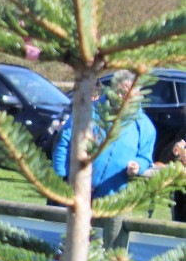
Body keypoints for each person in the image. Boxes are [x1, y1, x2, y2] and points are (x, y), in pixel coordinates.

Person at [51, 69, 156, 198]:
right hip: (73, 190)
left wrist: (138, 165)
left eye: (129, 94)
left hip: (111, 198)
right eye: (120, 92)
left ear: (138, 94)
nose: (123, 97)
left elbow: (145, 157)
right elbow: (64, 141)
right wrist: (61, 177)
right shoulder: (87, 111)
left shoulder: (145, 125)